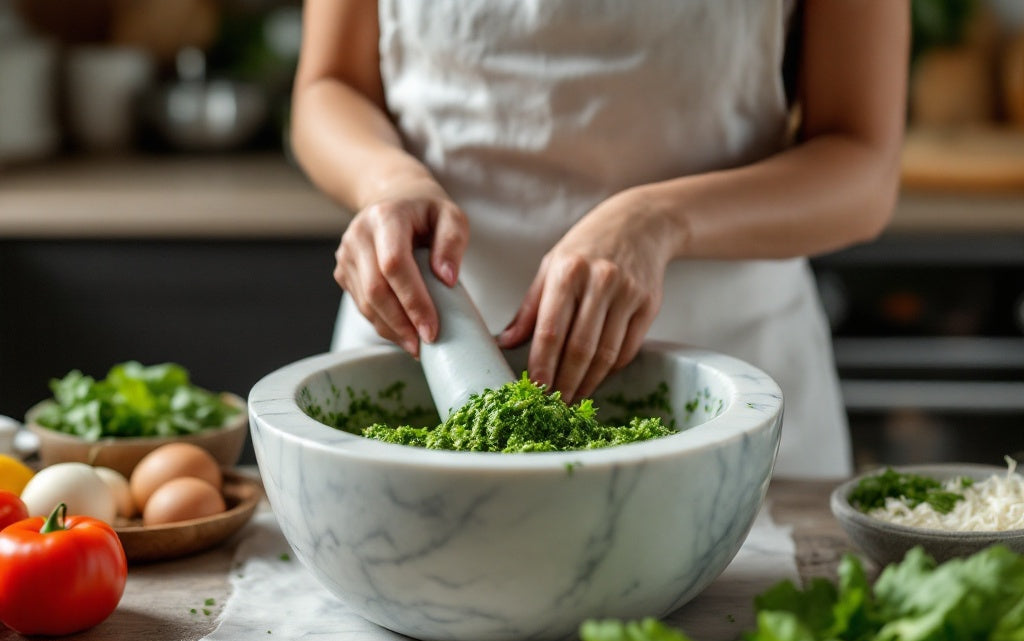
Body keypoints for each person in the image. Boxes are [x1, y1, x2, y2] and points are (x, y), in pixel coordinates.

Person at [289, 0, 909, 478]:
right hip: (421, 358)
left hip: (732, 382)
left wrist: (658, 219)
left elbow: (863, 164)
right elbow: (330, 86)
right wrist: (389, 182)